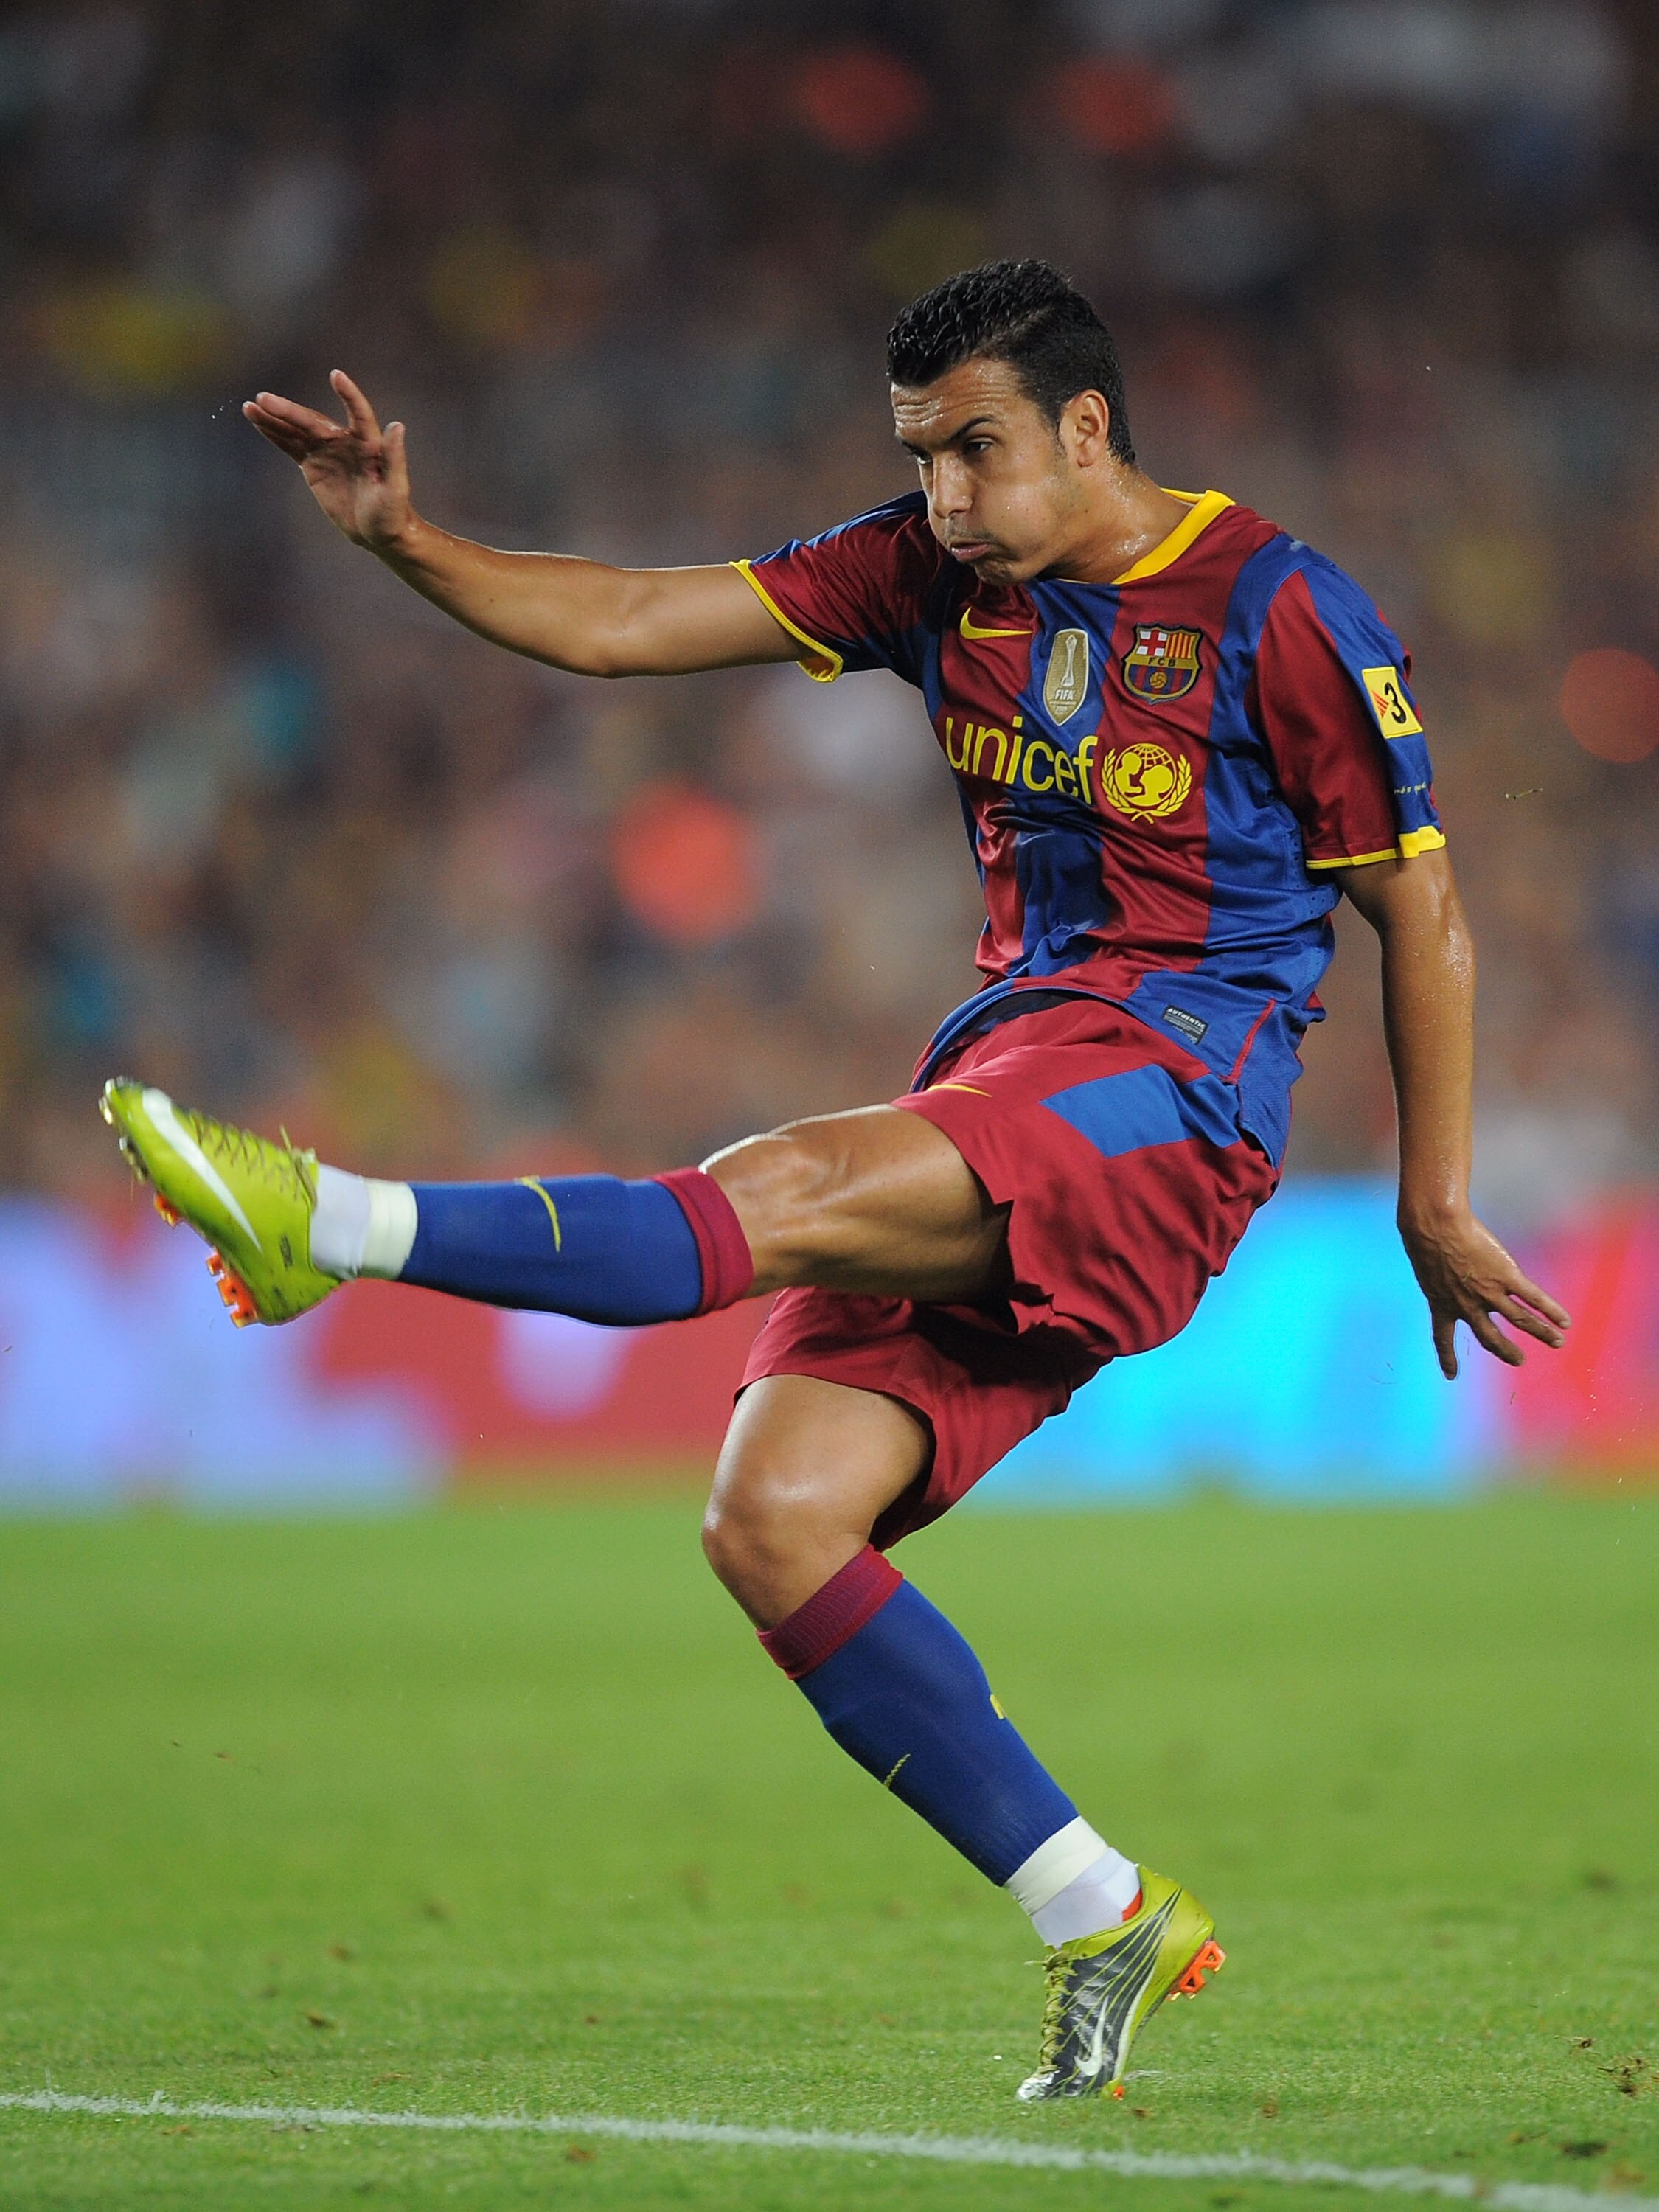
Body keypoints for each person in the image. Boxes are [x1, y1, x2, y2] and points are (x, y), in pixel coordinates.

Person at [100, 259, 1569, 2101]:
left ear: (1085, 427)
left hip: (1173, 1093)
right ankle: (1103, 1910)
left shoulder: (1276, 602)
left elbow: (1413, 897)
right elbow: (632, 620)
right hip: (1018, 1058)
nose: (947, 498)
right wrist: (408, 541)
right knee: (773, 1516)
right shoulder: (926, 572)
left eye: (976, 451)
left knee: (780, 1182)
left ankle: (332, 1226)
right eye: (921, 458)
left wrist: (1435, 1198)